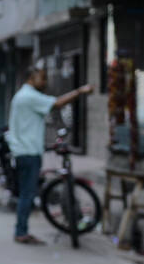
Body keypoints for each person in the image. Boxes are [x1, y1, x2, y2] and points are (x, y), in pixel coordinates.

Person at [7, 66, 93, 244]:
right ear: (32, 78)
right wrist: (80, 91)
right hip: (28, 152)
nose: (45, 82)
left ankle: (21, 230)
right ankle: (21, 232)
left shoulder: (22, 96)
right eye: (42, 78)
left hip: (24, 150)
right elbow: (57, 103)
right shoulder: (29, 96)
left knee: (27, 193)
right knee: (27, 194)